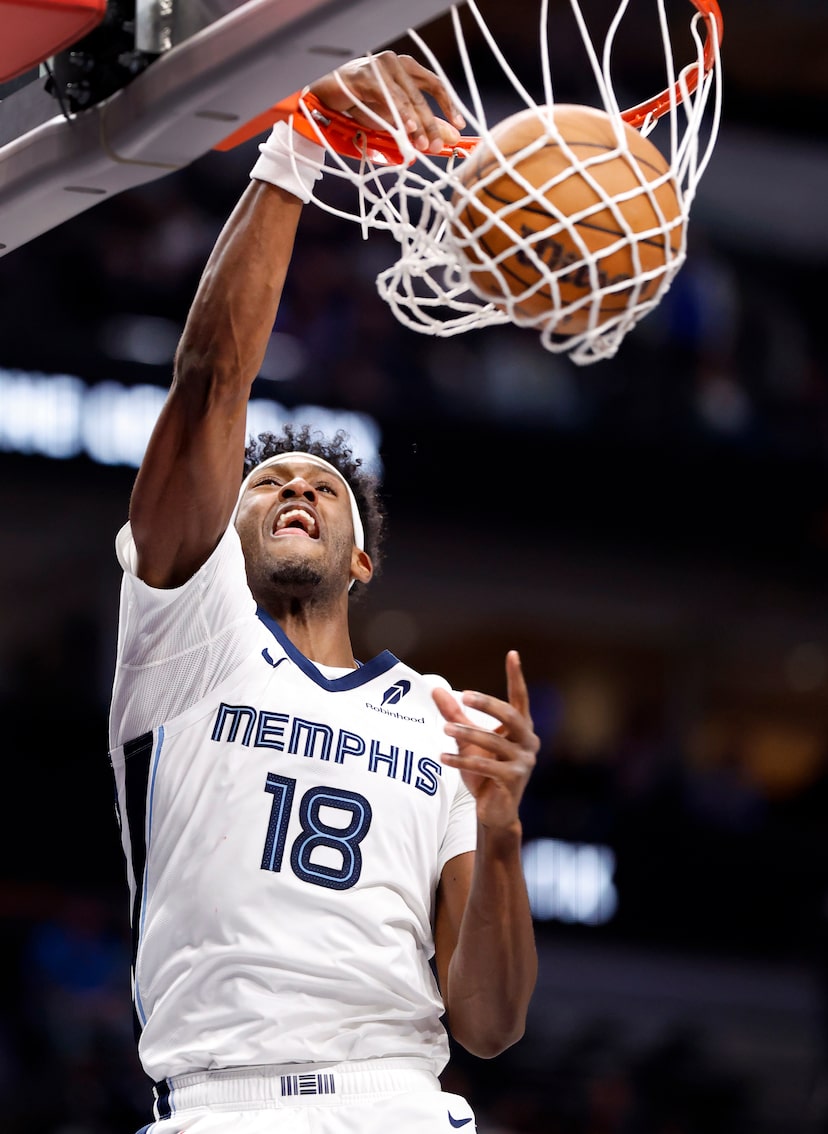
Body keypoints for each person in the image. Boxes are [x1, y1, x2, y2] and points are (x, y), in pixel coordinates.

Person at [107, 50, 539, 1134]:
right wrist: (299, 148)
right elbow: (211, 379)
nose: (295, 486)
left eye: (322, 487)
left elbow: (486, 1026)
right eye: (266, 483)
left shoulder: (446, 724)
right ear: (227, 531)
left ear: (361, 558)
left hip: (400, 1101)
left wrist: (498, 832)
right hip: (221, 1105)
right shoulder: (185, 635)